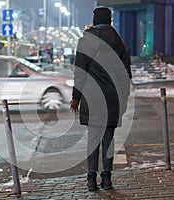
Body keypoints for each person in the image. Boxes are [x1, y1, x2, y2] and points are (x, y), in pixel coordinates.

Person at [70, 6, 132, 191]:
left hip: (91, 97)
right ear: (110, 21)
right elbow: (125, 74)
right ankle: (107, 179)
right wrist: (124, 97)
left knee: (93, 138)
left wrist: (76, 97)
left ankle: (91, 179)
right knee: (108, 138)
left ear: (95, 20)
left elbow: (80, 72)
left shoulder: (86, 41)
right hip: (113, 98)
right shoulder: (118, 42)